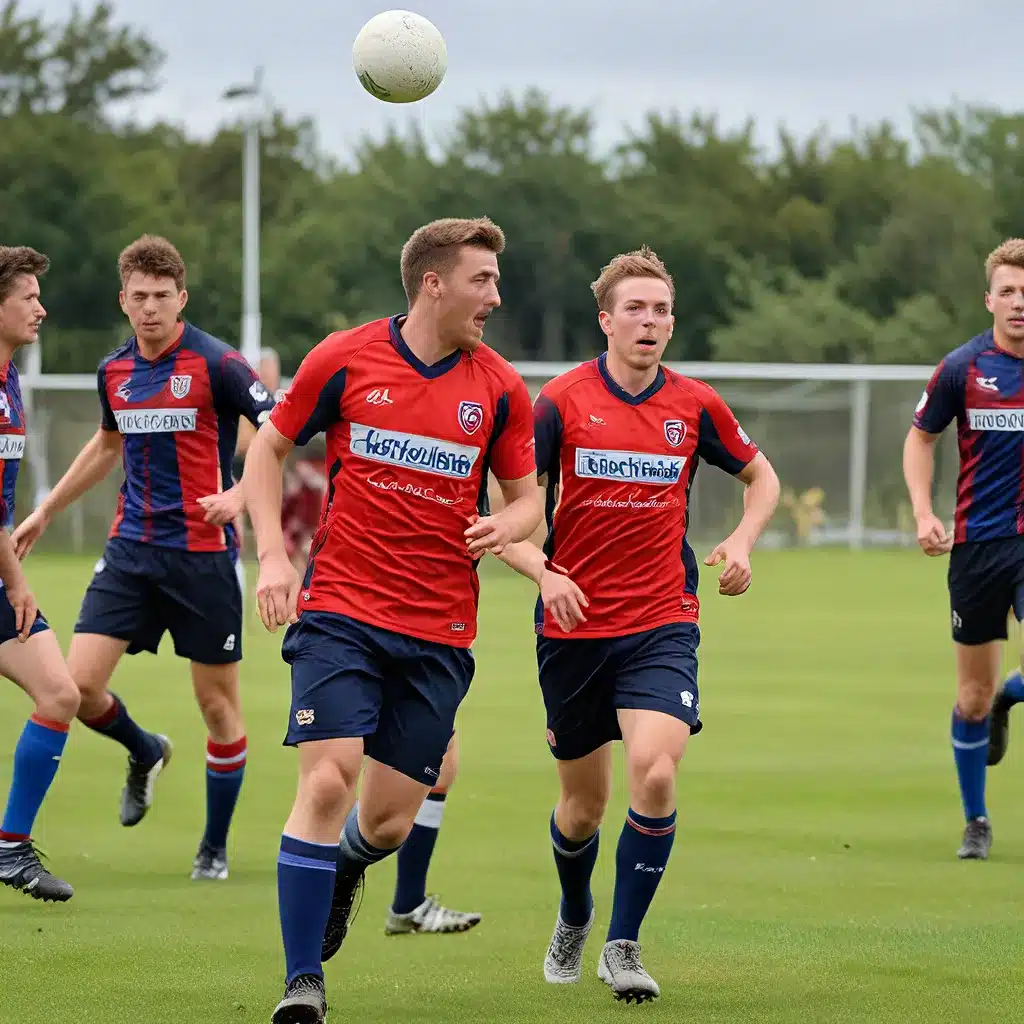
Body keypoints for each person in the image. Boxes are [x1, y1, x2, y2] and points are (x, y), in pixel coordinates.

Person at [241, 216, 541, 1024]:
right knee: (329, 775)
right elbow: (265, 451)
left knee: (388, 820)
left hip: (440, 632)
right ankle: (303, 980)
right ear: (433, 283)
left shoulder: (502, 388)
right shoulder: (344, 357)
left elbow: (530, 500)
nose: (495, 297)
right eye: (483, 280)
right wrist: (273, 555)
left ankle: (347, 868)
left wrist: (514, 528)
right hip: (341, 610)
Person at [495, 246, 780, 1003]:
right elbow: (509, 518)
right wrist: (544, 573)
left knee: (655, 770)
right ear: (606, 320)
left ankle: (623, 944)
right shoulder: (558, 402)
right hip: (572, 629)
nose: (649, 322)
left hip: (662, 620)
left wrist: (744, 541)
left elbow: (761, 475)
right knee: (582, 808)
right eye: (635, 309)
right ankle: (575, 911)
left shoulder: (694, 404)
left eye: (660, 310)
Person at [12, 235, 276, 881]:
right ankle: (145, 749)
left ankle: (213, 846)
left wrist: (241, 493)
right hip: (131, 552)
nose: (151, 308)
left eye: (163, 296)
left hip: (204, 557)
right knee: (76, 687)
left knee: (217, 707)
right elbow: (107, 445)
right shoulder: (115, 372)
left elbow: (278, 431)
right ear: (123, 301)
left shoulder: (219, 363)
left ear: (181, 298)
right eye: (140, 297)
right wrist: (47, 509)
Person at [903, 237, 1024, 861]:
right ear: (989, 300)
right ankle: (975, 819)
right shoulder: (963, 368)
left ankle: (1015, 689)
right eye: (1008, 291)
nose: (1019, 302)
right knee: (973, 697)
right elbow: (920, 439)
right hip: (978, 547)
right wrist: (925, 513)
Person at [0, 246, 80, 903]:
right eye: (27, 295)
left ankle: (10, 849)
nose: (40, 307)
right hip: (4, 577)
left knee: (59, 692)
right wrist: (19, 581)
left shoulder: (10, 380)